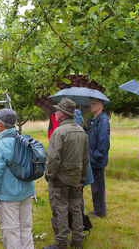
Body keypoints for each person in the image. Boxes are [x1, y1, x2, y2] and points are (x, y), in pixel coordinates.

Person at [0, 108, 35, 249]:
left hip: (8, 198)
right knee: (26, 229)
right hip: (26, 193)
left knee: (11, 233)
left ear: (1, 125)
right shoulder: (25, 142)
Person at [44, 98, 89, 249]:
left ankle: (60, 243)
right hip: (75, 178)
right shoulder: (81, 132)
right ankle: (77, 241)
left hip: (60, 179)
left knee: (60, 210)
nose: (55, 112)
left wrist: (50, 175)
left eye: (57, 110)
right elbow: (85, 159)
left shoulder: (59, 132)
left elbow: (53, 158)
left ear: (63, 114)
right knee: (76, 209)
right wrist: (81, 178)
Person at [86, 98, 110, 218]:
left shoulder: (103, 120)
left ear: (101, 105)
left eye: (94, 104)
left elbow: (104, 141)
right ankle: (97, 209)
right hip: (91, 158)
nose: (92, 106)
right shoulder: (92, 120)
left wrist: (96, 156)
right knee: (94, 186)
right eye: (91, 104)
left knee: (98, 186)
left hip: (97, 160)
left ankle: (100, 212)